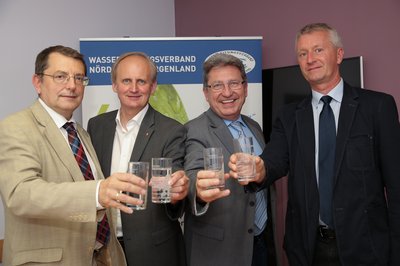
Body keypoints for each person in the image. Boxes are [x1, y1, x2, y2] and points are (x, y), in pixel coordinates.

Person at [230, 22, 400, 265]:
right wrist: (259, 168)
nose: (310, 59)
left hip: (367, 247)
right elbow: (274, 161)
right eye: (302, 53)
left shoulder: (378, 107)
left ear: (339, 54)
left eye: (318, 50)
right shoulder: (288, 116)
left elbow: (396, 186)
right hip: (308, 249)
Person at [0, 45, 147, 265]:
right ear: (37, 82)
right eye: (61, 76)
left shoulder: (80, 132)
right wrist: (98, 192)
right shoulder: (15, 127)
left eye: (79, 78)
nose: (72, 85)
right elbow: (20, 194)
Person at [87, 51, 189, 266]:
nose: (133, 89)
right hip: (105, 247)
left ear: (152, 87)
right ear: (114, 85)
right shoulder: (96, 126)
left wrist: (175, 192)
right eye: (126, 81)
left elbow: (173, 189)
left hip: (153, 251)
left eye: (141, 81)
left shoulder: (172, 130)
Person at [184, 53, 278, 266]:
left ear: (245, 88)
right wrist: (198, 189)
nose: (227, 92)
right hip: (220, 251)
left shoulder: (254, 127)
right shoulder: (194, 130)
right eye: (217, 86)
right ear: (206, 93)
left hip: (261, 241)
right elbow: (191, 174)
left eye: (234, 83)